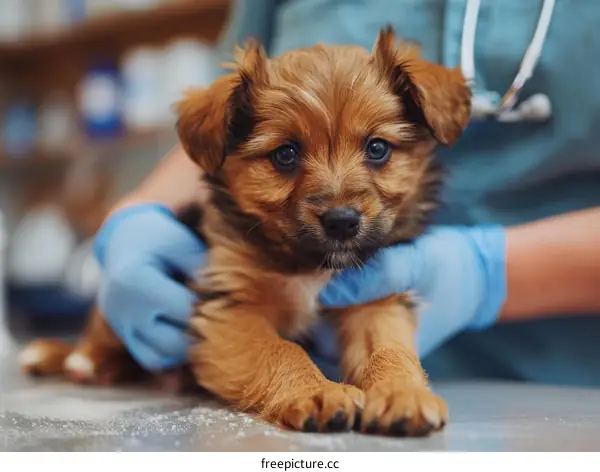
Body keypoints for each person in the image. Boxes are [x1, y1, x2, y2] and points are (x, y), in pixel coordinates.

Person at [93, 0, 600, 386]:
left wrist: (485, 274)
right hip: (297, 388)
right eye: (288, 159)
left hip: (564, 383)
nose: (338, 202)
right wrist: (141, 212)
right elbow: (230, 130)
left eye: (377, 149)